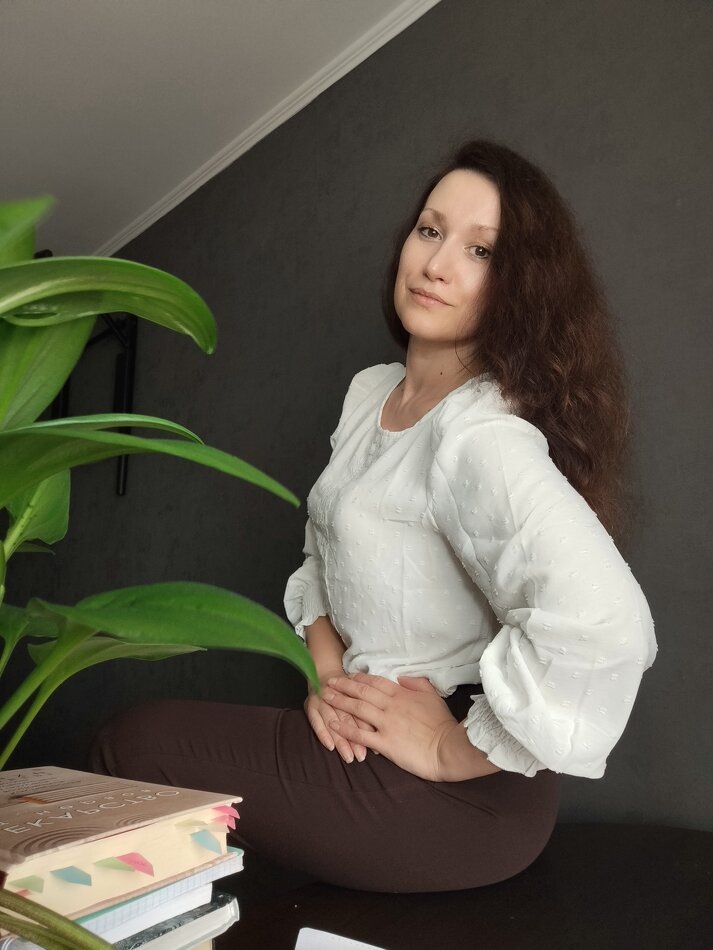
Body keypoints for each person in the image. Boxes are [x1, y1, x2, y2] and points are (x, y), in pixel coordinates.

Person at [90, 139, 657, 893]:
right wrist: (326, 675)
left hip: (460, 800)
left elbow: (608, 624)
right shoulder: (371, 394)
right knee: (136, 742)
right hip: (370, 737)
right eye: (430, 230)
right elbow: (324, 552)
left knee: (131, 744)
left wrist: (452, 750)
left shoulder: (478, 435)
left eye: (480, 250)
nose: (436, 264)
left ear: (520, 288)